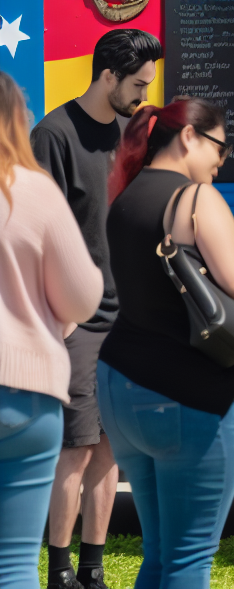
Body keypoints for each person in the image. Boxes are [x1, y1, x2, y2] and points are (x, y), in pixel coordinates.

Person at [97, 98, 234, 589]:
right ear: (188, 137)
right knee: (189, 559)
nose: (221, 163)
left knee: (160, 554)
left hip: (122, 386)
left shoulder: (125, 195)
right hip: (190, 394)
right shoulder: (195, 197)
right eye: (220, 149)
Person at [31, 28, 162, 589]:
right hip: (76, 323)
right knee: (76, 449)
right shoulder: (52, 134)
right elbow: (35, 231)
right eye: (137, 85)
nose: (144, 95)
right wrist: (57, 320)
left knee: (111, 450)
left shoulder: (132, 137)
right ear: (108, 75)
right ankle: (59, 572)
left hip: (127, 320)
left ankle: (92, 569)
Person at [0, 73, 104, 589]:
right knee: (15, 564)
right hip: (28, 393)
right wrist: (54, 319)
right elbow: (83, 296)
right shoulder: (33, 190)